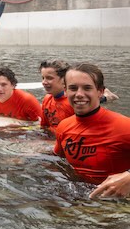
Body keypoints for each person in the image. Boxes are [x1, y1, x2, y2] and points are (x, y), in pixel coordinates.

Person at [54, 63, 130, 199]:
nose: (79, 94)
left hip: (118, 203)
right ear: (65, 91)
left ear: (100, 92)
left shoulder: (124, 126)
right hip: (79, 198)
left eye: (87, 88)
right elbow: (59, 162)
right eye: (73, 88)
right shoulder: (63, 127)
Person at [39, 60, 75, 134]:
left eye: (49, 78)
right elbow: (43, 127)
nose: (44, 82)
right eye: (43, 78)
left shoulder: (72, 103)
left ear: (64, 80)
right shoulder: (47, 99)